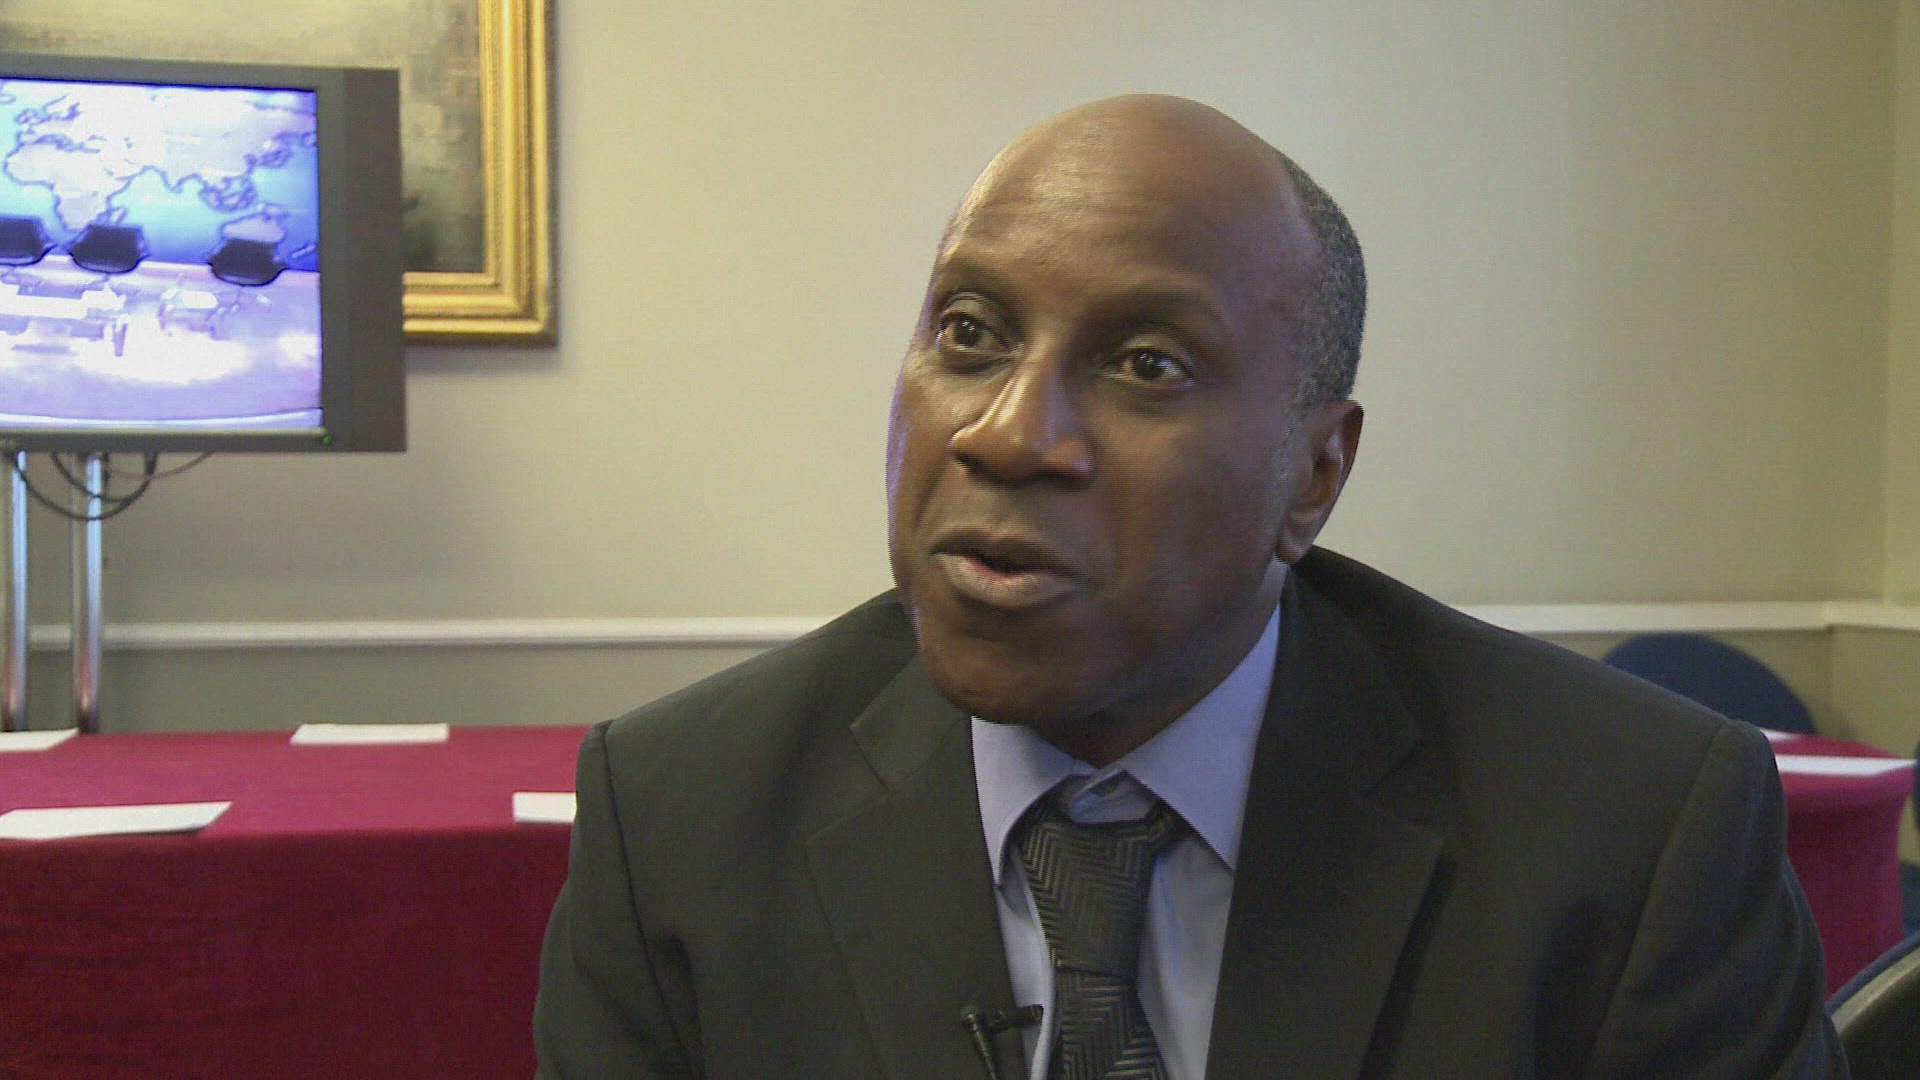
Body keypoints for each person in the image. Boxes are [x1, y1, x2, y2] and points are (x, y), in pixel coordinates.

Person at [534, 95, 1845, 1078]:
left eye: (1146, 365)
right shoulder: (680, 822)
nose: (1006, 433)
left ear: (1314, 477)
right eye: (970, 334)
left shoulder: (1627, 835)